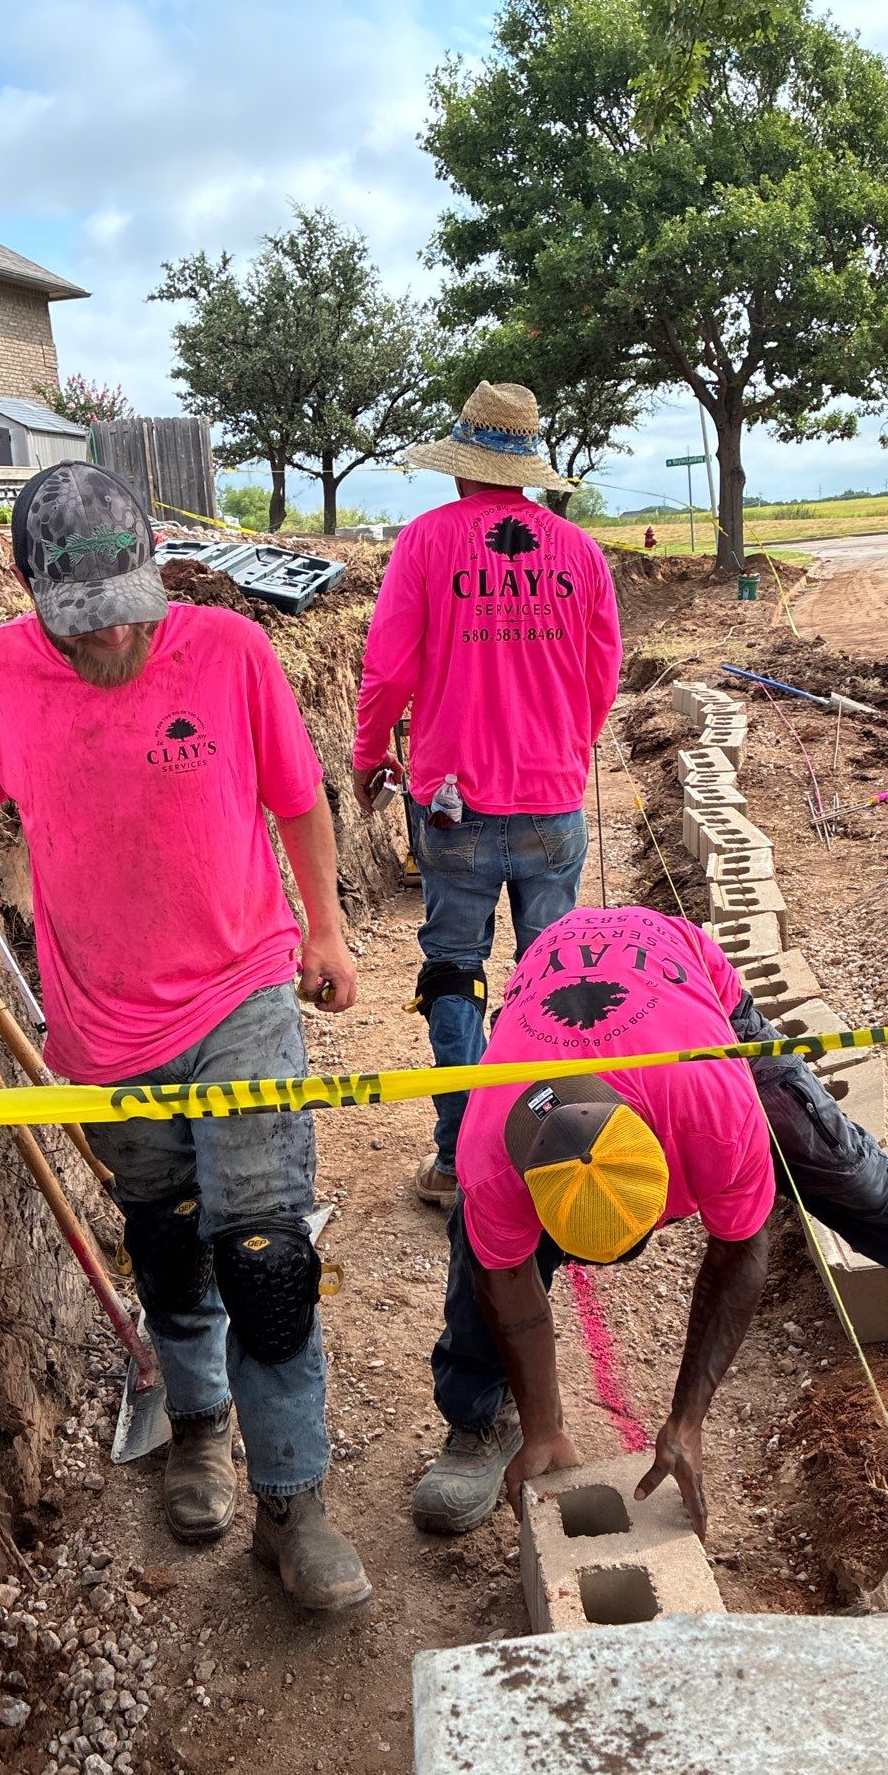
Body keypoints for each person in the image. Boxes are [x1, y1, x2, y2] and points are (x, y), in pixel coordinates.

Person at [0, 461, 371, 1612]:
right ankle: (199, 1430)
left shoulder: (233, 653)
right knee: (166, 1235)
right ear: (30, 594)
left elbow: (298, 796)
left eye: (125, 616)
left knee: (264, 1253)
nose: (109, 645)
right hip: (105, 1021)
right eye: (82, 627)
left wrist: (329, 933)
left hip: (242, 992)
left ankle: (294, 1505)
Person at [412, 904, 888, 1534]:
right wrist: (548, 1427)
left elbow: (740, 1252)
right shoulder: (490, 1148)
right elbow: (502, 1274)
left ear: (669, 1168)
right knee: (472, 1247)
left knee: (844, 1170)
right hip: (562, 988)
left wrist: (687, 1419)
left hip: (685, 979)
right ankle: (483, 1416)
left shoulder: (711, 1106)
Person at [351, 381, 623, 1209]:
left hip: (453, 806)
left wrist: (369, 756)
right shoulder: (578, 554)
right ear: (529, 471)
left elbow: (389, 668)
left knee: (454, 974)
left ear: (461, 470)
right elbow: (602, 671)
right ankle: (556, 1151)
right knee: (553, 981)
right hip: (551, 803)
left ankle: (458, 1160)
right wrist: (568, 747)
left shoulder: (426, 544)